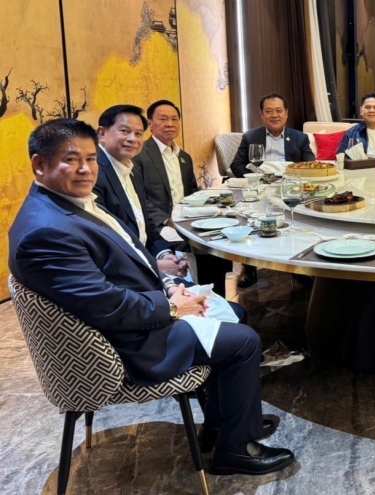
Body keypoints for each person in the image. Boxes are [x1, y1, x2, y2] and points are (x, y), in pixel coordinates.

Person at [9, 119, 296, 474]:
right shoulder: (46, 232)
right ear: (40, 164)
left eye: (91, 159)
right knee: (244, 341)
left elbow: (120, 266)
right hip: (127, 345)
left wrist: (168, 286)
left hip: (135, 316)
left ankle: (225, 425)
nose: (86, 169)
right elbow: (107, 307)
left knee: (235, 313)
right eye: (71, 159)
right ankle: (236, 451)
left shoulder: (63, 204)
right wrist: (173, 307)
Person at [132, 100, 234, 297]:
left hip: (185, 220)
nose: (170, 124)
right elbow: (139, 198)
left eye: (174, 119)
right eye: (163, 119)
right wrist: (167, 219)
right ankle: (200, 298)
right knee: (203, 249)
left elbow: (193, 193)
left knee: (218, 241)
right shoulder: (140, 155)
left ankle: (217, 299)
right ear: (150, 124)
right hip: (159, 226)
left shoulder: (184, 157)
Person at [92, 104, 187, 279]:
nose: (133, 139)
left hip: (145, 260)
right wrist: (154, 266)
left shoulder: (131, 169)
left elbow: (145, 226)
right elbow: (103, 242)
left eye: (138, 134)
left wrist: (164, 254)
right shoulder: (93, 174)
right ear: (102, 133)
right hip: (123, 276)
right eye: (124, 131)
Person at [229, 93, 315, 178]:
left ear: (286, 113)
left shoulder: (300, 138)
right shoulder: (250, 137)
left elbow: (310, 164)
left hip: (290, 181)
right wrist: (255, 178)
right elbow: (236, 165)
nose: (274, 115)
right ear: (262, 114)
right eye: (268, 111)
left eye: (279, 111)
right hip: (260, 181)